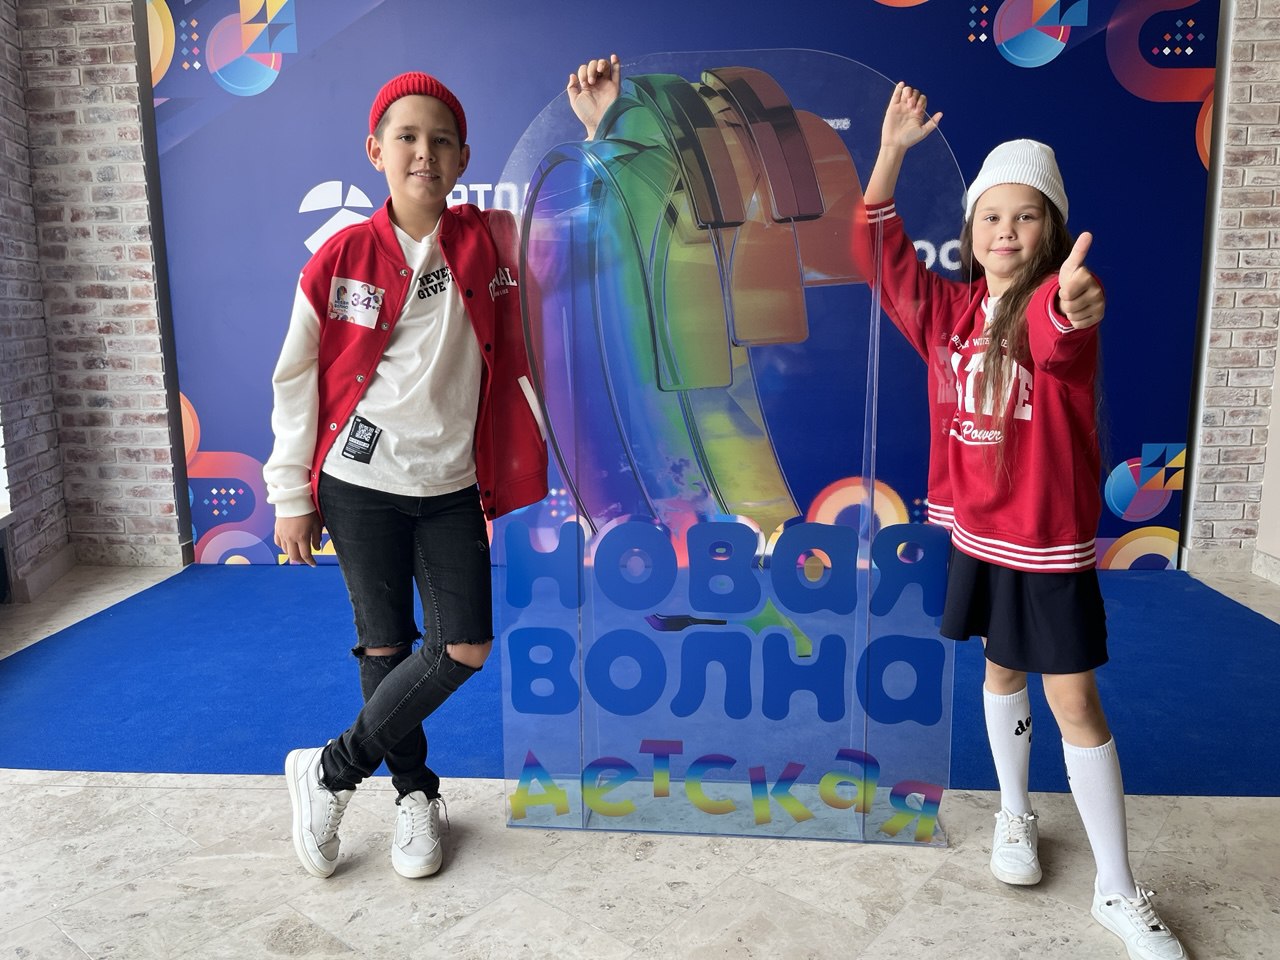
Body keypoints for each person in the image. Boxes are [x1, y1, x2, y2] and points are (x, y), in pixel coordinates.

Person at [264, 55, 622, 880]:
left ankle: (329, 770)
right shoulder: (340, 258)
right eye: (406, 138)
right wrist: (290, 493)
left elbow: (582, 237)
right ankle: (416, 797)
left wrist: (599, 134)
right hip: (358, 485)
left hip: (453, 484)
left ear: (463, 159)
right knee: (384, 647)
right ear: (376, 151)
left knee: (463, 646)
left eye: (441, 141)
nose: (423, 152)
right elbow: (295, 379)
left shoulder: (493, 241)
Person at [862, 83, 1188, 960]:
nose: (1005, 231)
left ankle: (1116, 890)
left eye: (1026, 217)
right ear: (971, 230)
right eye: (991, 216)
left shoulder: (1053, 306)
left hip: (1045, 544)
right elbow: (879, 255)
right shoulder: (947, 314)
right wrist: (891, 151)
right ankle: (1016, 815)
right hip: (979, 535)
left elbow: (1060, 336)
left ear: (1050, 232)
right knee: (1001, 667)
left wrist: (1075, 305)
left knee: (1073, 698)